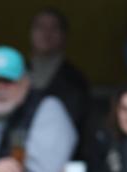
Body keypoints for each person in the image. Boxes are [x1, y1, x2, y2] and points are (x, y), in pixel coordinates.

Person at [28, 8, 90, 136]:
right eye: (40, 27)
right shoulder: (17, 73)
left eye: (53, 28)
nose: (46, 33)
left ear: (63, 35)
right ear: (31, 33)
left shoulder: (75, 80)